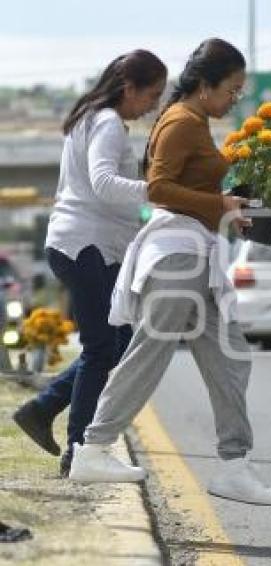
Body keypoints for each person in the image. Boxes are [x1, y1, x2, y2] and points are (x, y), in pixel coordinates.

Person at [68, 38, 271, 506]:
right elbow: (160, 187)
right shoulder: (182, 122)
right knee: (151, 351)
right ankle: (95, 445)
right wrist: (219, 203)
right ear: (204, 86)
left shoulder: (196, 121)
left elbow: (187, 188)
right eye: (231, 89)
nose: (234, 99)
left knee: (231, 356)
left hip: (197, 253)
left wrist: (228, 210)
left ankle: (233, 466)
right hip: (175, 255)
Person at [13, 51, 168, 476]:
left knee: (116, 342)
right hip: (85, 246)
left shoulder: (92, 118)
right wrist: (157, 190)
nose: (153, 105)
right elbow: (102, 183)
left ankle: (42, 410)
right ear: (129, 87)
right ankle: (78, 452)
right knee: (103, 347)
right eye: (151, 95)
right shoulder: (106, 124)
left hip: (89, 246)